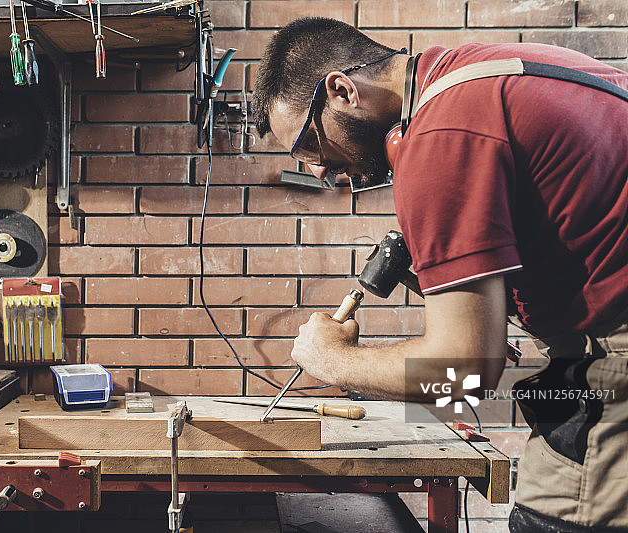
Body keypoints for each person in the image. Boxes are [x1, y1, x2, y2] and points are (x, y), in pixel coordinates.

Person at [251, 17, 628, 532]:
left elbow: (468, 376)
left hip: (615, 360)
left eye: (307, 147)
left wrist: (332, 360)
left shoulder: (440, 137)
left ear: (341, 90)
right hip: (597, 334)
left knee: (549, 518)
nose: (319, 171)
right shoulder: (468, 75)